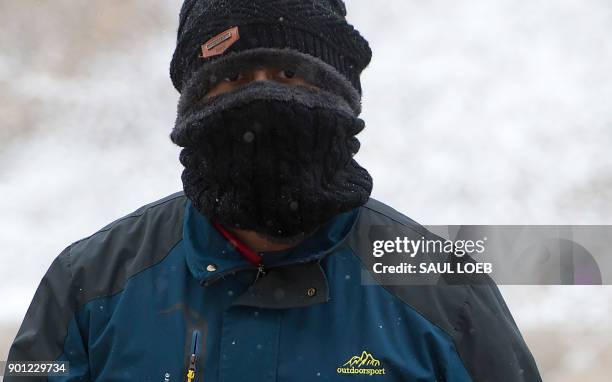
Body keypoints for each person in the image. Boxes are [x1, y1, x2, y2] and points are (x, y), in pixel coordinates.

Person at [5, 1, 542, 381]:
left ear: (342, 96)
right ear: (194, 105)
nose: (262, 95)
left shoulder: (446, 292)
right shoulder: (89, 287)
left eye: (289, 73)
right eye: (234, 79)